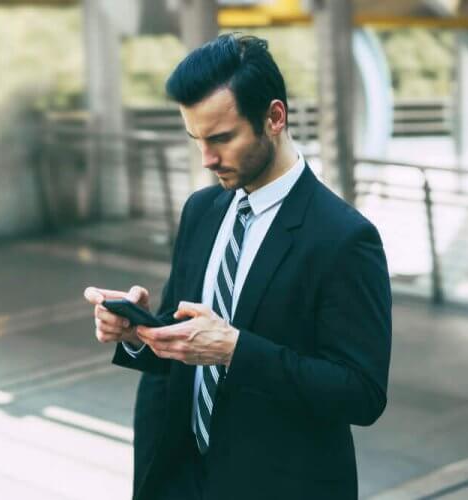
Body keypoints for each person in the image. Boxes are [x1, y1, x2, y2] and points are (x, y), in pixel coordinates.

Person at [84, 33, 391, 500]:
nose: (207, 159)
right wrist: (138, 333)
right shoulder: (202, 210)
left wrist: (235, 350)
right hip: (178, 480)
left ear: (274, 117)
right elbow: (187, 340)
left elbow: (361, 393)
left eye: (222, 138)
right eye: (197, 140)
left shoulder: (345, 238)